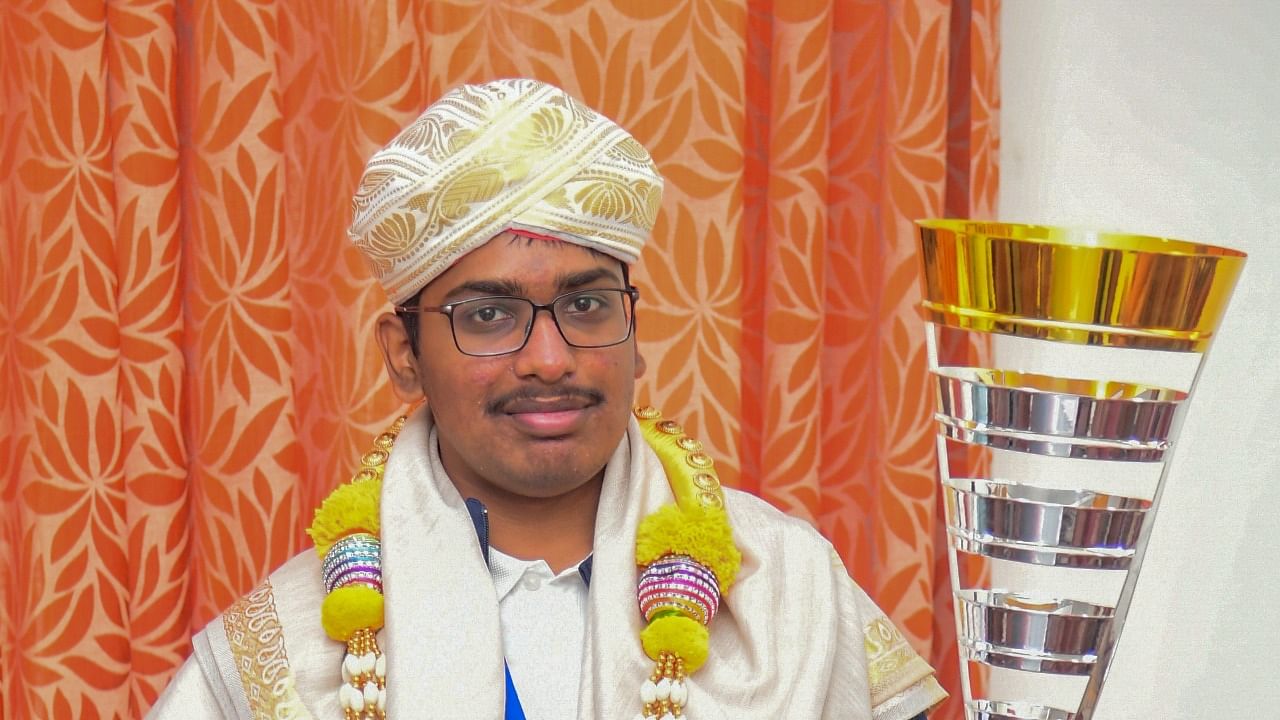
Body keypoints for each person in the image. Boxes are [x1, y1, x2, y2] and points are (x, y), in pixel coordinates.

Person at [148, 78, 945, 720]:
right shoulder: (287, 654)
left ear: (635, 330)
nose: (550, 357)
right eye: (487, 316)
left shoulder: (784, 590)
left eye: (587, 305)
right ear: (404, 355)